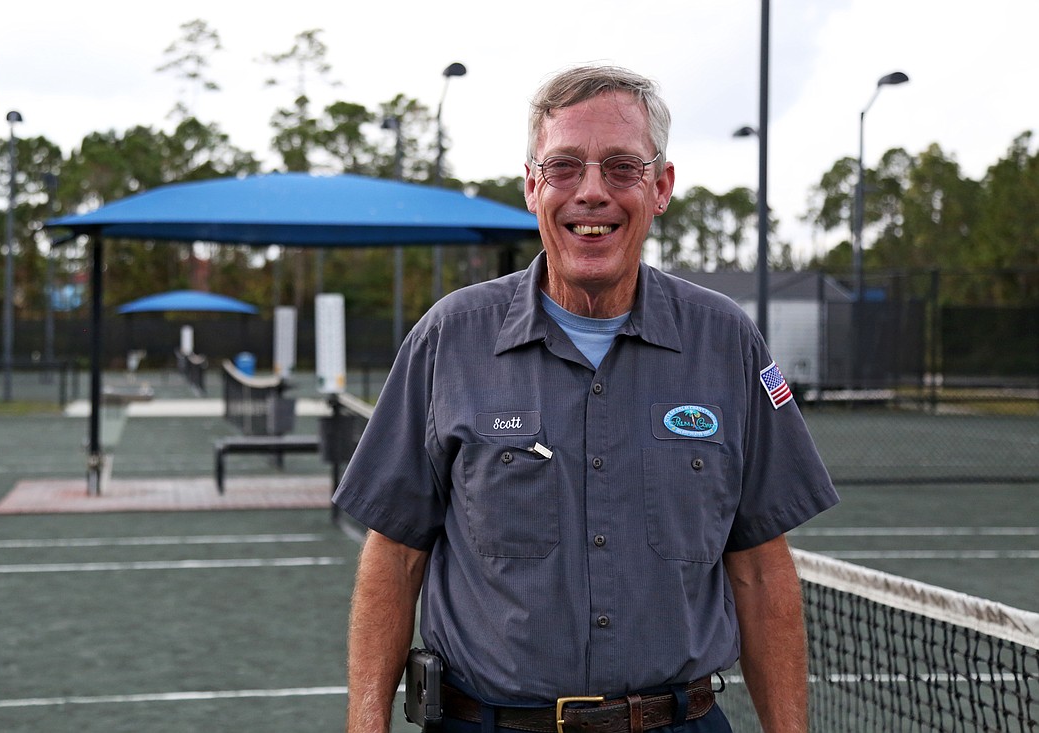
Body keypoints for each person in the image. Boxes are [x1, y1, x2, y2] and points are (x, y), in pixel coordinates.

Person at [334, 64, 839, 733]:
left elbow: (761, 572)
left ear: (660, 187)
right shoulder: (448, 339)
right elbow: (394, 557)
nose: (592, 192)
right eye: (565, 167)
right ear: (532, 186)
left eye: (622, 167)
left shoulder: (729, 344)